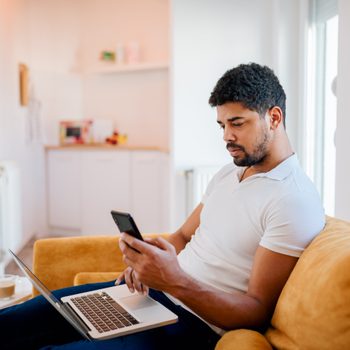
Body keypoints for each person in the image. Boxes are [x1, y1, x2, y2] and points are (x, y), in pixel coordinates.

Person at [0, 63, 325, 350]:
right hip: (151, 297)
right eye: (222, 125)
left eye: (237, 123)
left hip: (190, 326)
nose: (226, 136)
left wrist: (173, 281)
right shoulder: (229, 173)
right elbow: (183, 235)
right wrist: (148, 260)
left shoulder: (292, 199)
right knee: (15, 322)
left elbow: (255, 311)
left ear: (274, 117)